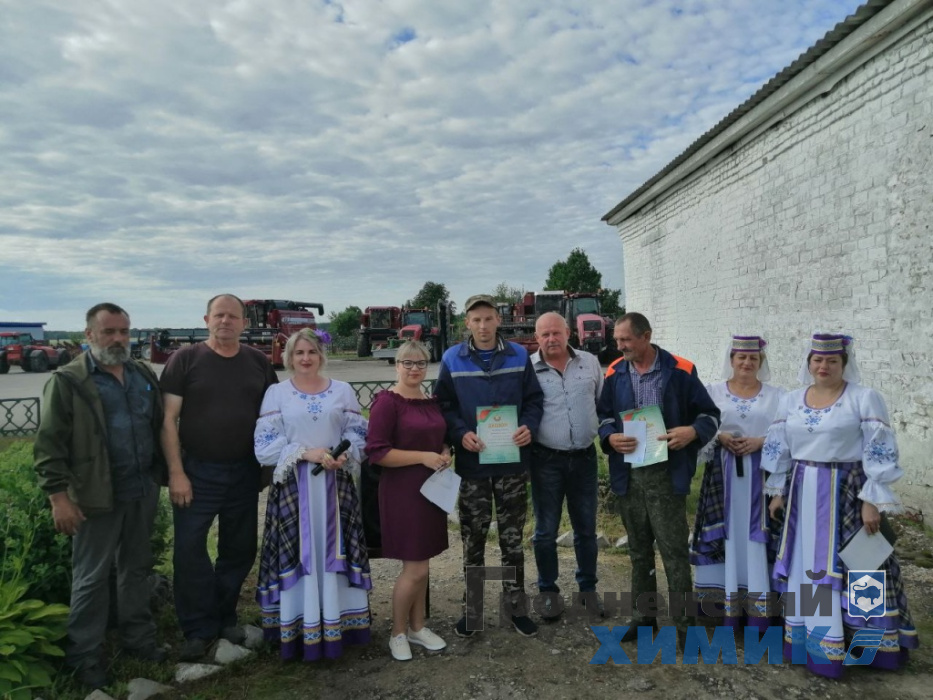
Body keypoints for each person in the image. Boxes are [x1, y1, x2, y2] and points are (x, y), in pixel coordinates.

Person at [762, 333, 918, 677]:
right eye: (817, 360)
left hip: (848, 493)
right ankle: (812, 643)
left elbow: (879, 450)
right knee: (807, 566)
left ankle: (870, 648)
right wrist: (777, 490)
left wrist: (872, 501)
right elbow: (781, 447)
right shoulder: (791, 401)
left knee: (864, 567)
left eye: (832, 361)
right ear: (809, 363)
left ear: (844, 364)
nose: (824, 366)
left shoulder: (863, 398)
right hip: (802, 493)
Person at [34, 303, 166, 690]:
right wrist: (59, 498)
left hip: (142, 490)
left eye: (124, 331)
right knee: (91, 578)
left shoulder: (141, 374)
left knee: (136, 568)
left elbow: (157, 427)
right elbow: (48, 446)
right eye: (109, 331)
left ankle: (138, 640)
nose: (119, 339)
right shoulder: (68, 381)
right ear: (89, 335)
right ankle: (84, 656)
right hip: (94, 498)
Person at [160, 294, 278, 660]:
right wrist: (176, 472)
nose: (225, 321)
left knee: (239, 549)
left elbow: (275, 415)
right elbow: (167, 420)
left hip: (244, 472)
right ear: (206, 319)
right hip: (196, 472)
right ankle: (198, 628)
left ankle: (225, 617)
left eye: (233, 316)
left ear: (244, 323)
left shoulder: (258, 362)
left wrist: (270, 468)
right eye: (218, 315)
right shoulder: (186, 359)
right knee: (190, 550)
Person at [597, 312, 720, 643]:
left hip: (667, 473)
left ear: (646, 336)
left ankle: (684, 627)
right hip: (629, 474)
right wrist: (609, 437)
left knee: (674, 551)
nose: (619, 346)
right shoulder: (614, 372)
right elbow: (604, 416)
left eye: (626, 340)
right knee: (638, 551)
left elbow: (710, 415)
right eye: (617, 340)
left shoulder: (681, 370)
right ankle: (643, 618)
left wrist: (692, 432)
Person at [254, 329, 371, 661]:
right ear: (289, 357)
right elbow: (263, 447)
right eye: (298, 353)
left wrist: (345, 453)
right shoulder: (277, 393)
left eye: (312, 352)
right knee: (301, 552)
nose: (305, 359)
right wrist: (305, 453)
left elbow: (357, 432)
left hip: (336, 486)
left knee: (334, 550)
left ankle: (339, 626)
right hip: (295, 485)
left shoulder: (343, 391)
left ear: (322, 355)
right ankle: (298, 627)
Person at [435, 294, 544, 638]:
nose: (483, 326)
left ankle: (516, 609)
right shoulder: (453, 359)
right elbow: (444, 404)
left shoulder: (518, 355)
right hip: (472, 465)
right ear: (466, 323)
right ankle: (473, 611)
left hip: (511, 463)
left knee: (512, 540)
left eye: (488, 319)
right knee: (474, 541)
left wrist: (529, 425)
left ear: (499, 320)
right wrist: (460, 432)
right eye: (476, 320)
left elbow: (534, 400)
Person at [690, 335, 783, 633]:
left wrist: (761, 441)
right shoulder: (712, 392)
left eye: (753, 358)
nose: (746, 362)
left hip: (763, 476)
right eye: (741, 357)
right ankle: (723, 608)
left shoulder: (777, 396)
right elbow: (700, 427)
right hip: (723, 474)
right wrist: (720, 437)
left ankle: (760, 611)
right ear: (730, 360)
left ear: (761, 362)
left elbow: (788, 435)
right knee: (728, 535)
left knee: (757, 538)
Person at [365, 341, 451, 661]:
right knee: (414, 568)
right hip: (403, 492)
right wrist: (423, 457)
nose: (414, 369)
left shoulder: (430, 402)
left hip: (431, 492)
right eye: (407, 363)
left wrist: (444, 452)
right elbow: (377, 452)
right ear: (396, 365)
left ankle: (417, 626)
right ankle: (397, 632)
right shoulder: (387, 402)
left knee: (423, 564)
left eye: (420, 363)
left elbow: (439, 438)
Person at [528, 312, 604, 619]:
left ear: (568, 333)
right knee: (545, 532)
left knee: (586, 530)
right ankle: (548, 592)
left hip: (585, 458)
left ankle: (587, 591)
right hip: (546, 460)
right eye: (544, 334)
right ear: (536, 338)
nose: (551, 339)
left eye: (556, 333)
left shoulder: (590, 363)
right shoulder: (528, 370)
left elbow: (601, 402)